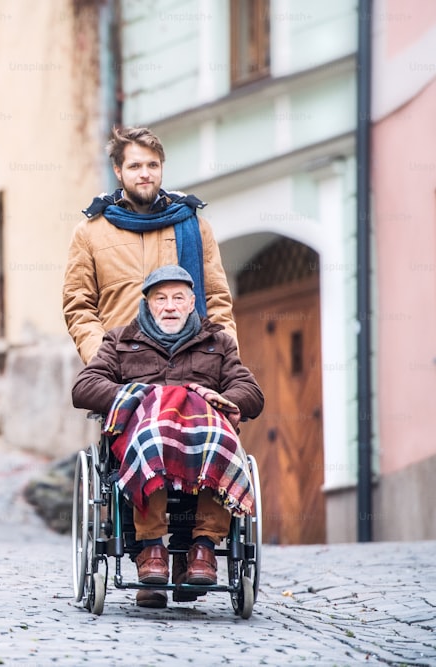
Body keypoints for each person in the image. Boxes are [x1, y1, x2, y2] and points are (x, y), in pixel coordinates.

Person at [71, 265, 264, 609]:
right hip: (147, 438)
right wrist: (135, 396)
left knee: (220, 442)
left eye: (178, 298)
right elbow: (84, 387)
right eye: (160, 298)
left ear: (192, 303)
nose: (170, 306)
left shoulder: (217, 342)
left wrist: (228, 401)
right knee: (154, 436)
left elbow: (250, 390)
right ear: (147, 304)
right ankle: (151, 549)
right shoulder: (120, 340)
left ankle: (203, 548)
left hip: (201, 441)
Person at [62, 126, 237, 366]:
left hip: (188, 369)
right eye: (135, 166)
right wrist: (101, 358)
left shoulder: (194, 226)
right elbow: (79, 307)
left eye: (152, 165)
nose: (145, 173)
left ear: (161, 168)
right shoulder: (89, 232)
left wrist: (223, 359)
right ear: (118, 171)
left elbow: (216, 299)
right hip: (119, 373)